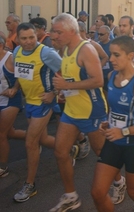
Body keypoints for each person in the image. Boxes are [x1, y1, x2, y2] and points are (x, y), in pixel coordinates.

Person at [91, 36, 134, 212]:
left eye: (116, 55)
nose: (111, 60)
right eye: (110, 55)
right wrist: (108, 122)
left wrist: (125, 131)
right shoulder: (112, 75)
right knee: (97, 193)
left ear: (130, 55)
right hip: (114, 142)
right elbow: (115, 109)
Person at [50, 13, 108, 211]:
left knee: (101, 152)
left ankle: (119, 181)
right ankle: (71, 196)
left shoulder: (87, 50)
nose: (54, 36)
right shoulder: (66, 49)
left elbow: (98, 80)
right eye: (53, 31)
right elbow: (72, 79)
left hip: (92, 110)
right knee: (60, 151)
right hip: (72, 111)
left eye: (58, 32)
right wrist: (64, 90)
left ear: (72, 31)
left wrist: (67, 84)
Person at [13, 23, 62, 202]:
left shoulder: (46, 53)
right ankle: (68, 148)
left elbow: (68, 72)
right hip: (29, 103)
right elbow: (20, 73)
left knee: (30, 142)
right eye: (24, 38)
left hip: (43, 103)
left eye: (31, 37)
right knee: (42, 139)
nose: (28, 42)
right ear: (17, 39)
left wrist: (54, 93)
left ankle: (30, 184)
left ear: (37, 36)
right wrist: (15, 87)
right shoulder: (17, 52)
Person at [0, 34, 25, 178]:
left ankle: (3, 167)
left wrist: (15, 89)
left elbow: (22, 76)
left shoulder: (10, 58)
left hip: (11, 101)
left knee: (1, 134)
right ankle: (35, 139)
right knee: (10, 133)